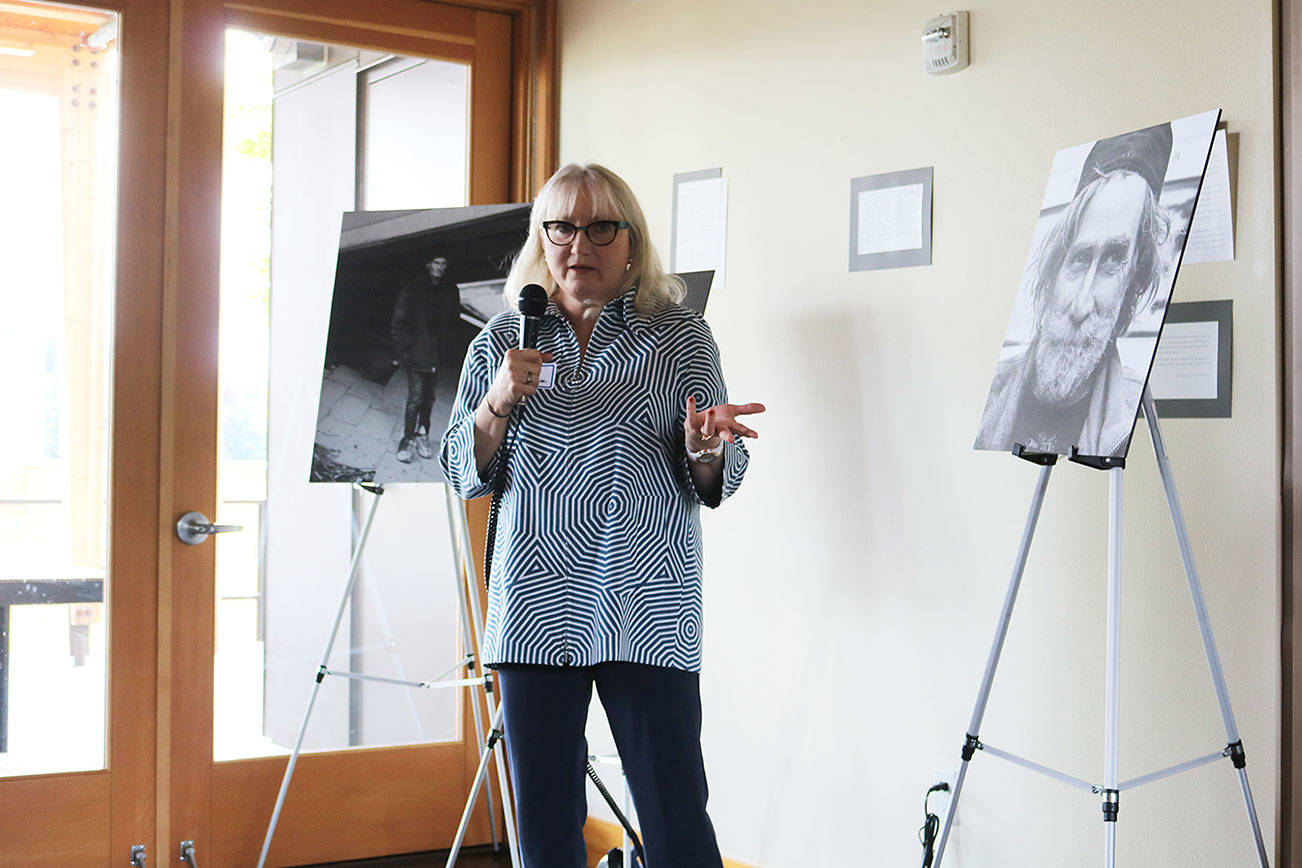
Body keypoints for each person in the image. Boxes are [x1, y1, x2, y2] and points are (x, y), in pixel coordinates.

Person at [440, 163, 764, 867]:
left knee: (676, 815)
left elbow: (714, 475)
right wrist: (497, 400)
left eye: (599, 227)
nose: (577, 243)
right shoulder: (503, 337)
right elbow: (460, 468)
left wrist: (706, 446)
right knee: (548, 828)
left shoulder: (680, 336)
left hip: (647, 603)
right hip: (536, 601)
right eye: (561, 226)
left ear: (631, 242)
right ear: (541, 238)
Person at [974, 123, 1174, 458]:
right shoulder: (995, 392)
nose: (1081, 305)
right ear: (1053, 269)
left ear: (1133, 286)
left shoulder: (1128, 411)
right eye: (1080, 259)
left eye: (1113, 262)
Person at [391, 255, 447, 463]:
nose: (439, 268)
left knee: (429, 399)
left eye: (443, 264)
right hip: (416, 355)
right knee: (415, 399)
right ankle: (407, 440)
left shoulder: (449, 291)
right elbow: (399, 324)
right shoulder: (412, 290)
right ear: (428, 264)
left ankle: (423, 435)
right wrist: (407, 350)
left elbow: (451, 326)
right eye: (436, 263)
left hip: (436, 357)